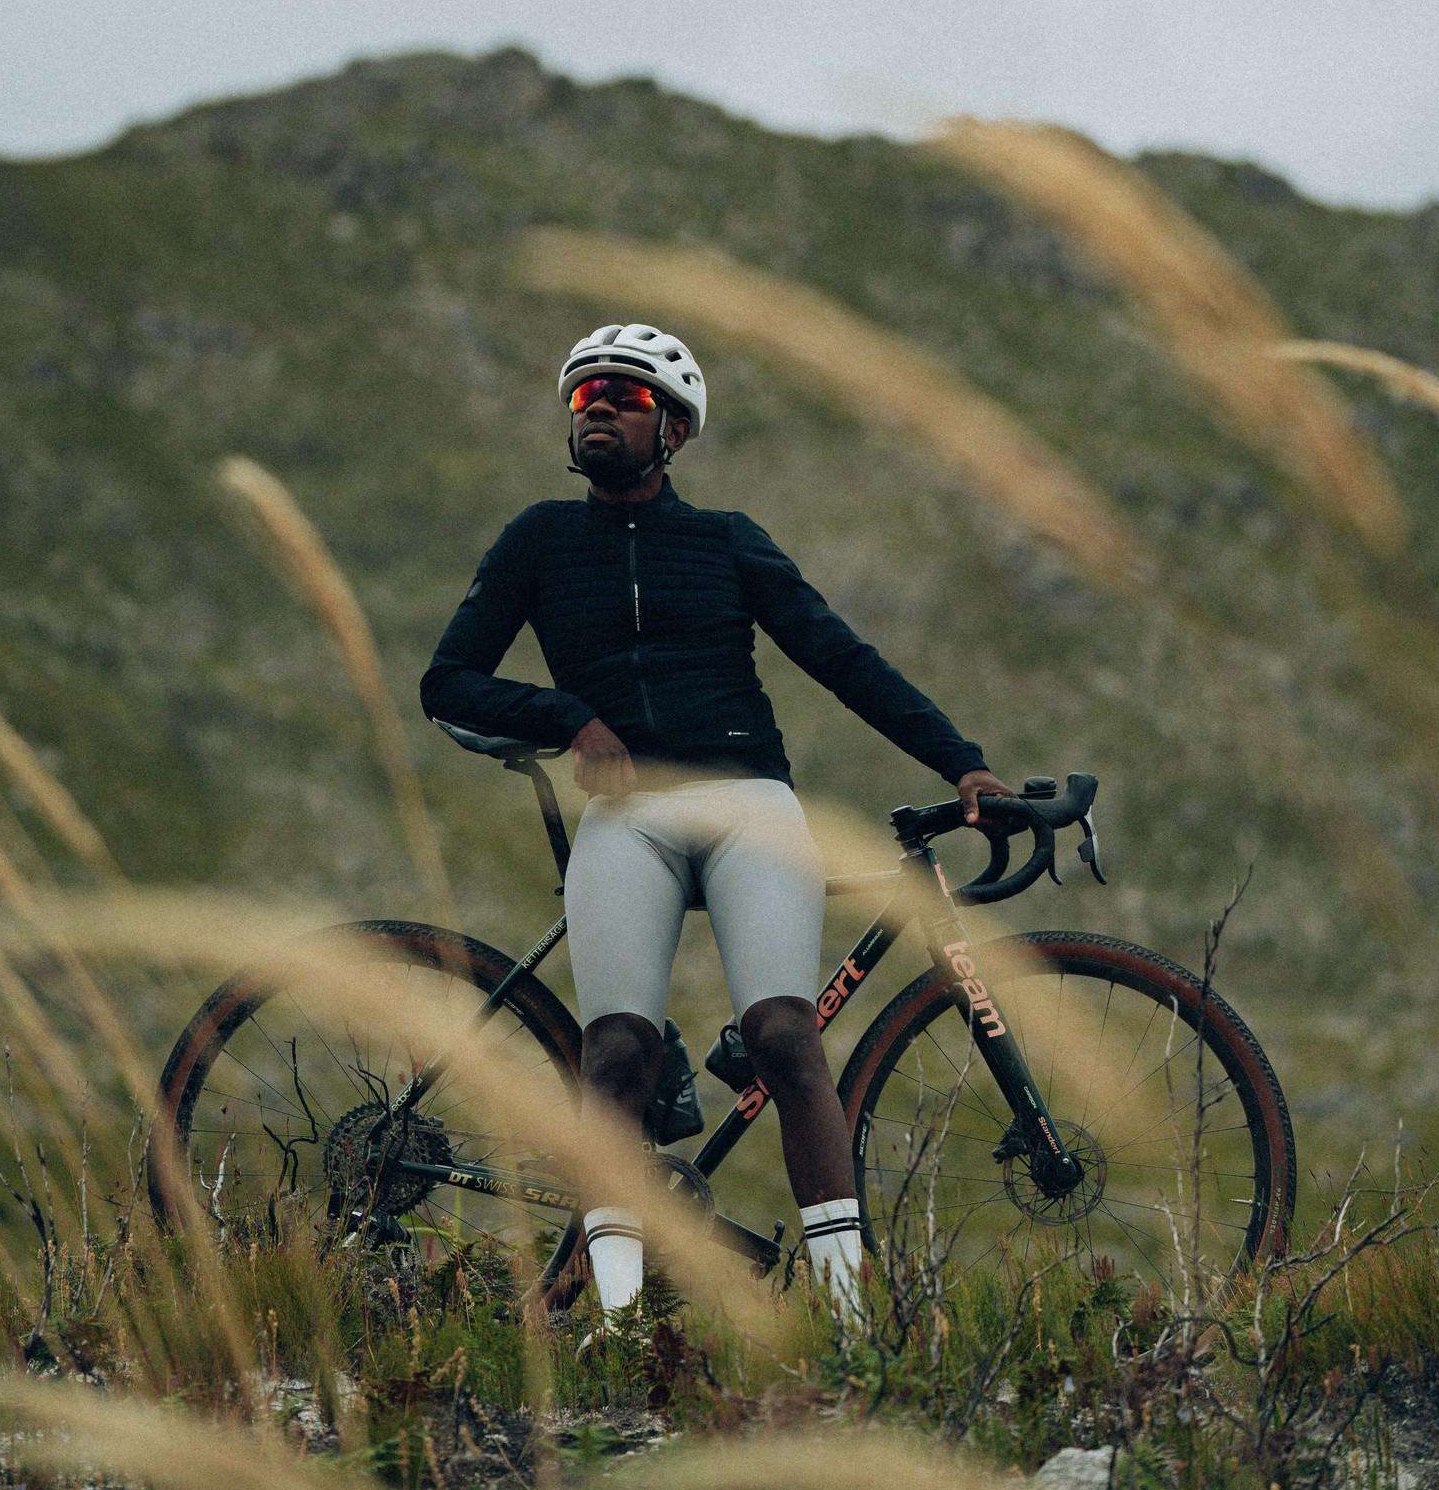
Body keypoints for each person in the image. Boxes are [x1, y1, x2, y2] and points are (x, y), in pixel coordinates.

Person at [420, 322, 1013, 1322]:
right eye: (585, 397)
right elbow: (448, 681)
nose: (600, 409)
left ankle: (847, 1320)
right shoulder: (538, 540)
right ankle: (616, 1327)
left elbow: (840, 657)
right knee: (617, 1056)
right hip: (628, 818)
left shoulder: (726, 540)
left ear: (676, 431)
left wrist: (962, 762)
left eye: (628, 398)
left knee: (784, 1035)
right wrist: (569, 718)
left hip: (749, 805)